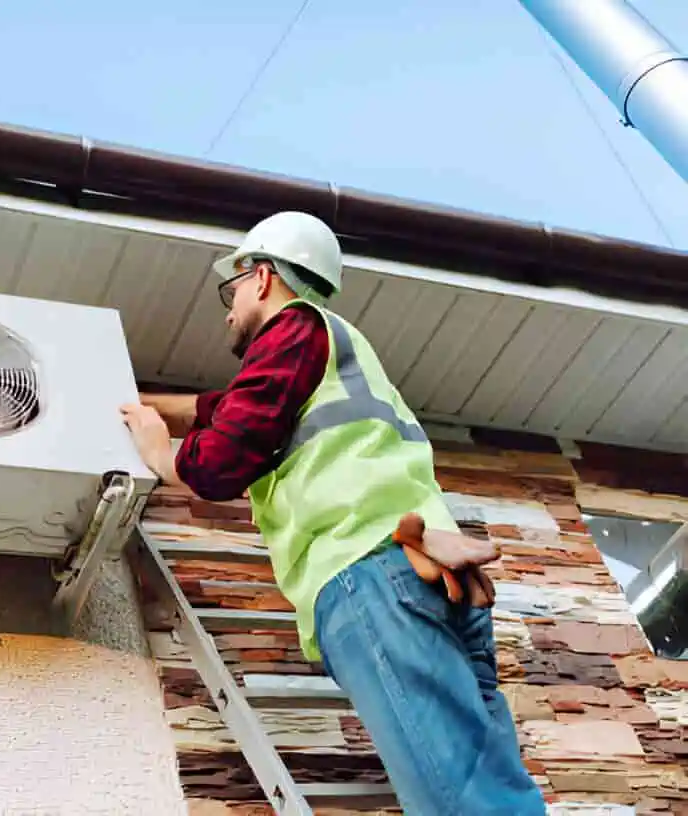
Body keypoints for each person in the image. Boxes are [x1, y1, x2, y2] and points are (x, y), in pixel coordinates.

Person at [119, 211, 545, 815]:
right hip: (431, 572)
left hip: (368, 573)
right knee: (491, 790)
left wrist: (165, 459)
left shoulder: (290, 332)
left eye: (232, 288)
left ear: (263, 277)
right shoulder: (332, 345)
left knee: (456, 804)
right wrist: (142, 402)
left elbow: (221, 458)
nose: (228, 307)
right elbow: (227, 405)